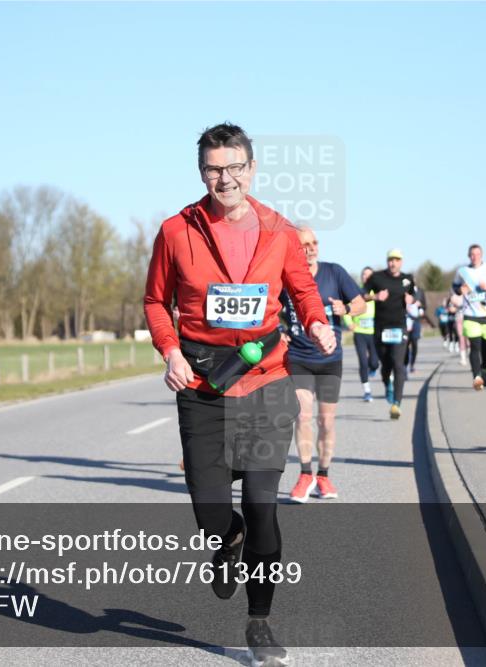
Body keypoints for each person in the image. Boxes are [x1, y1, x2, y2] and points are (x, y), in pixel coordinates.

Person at [144, 122, 336, 666]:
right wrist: (170, 351)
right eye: (213, 169)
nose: (224, 178)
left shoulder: (279, 231)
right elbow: (156, 302)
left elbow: (302, 289)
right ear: (201, 172)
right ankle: (226, 540)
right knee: (212, 514)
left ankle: (260, 622)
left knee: (261, 506)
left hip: (266, 383)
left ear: (252, 168)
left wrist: (317, 321)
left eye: (234, 167)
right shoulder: (176, 231)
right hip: (202, 385)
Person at [280, 227, 365, 503]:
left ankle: (324, 476)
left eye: (314, 242)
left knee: (326, 421)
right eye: (305, 244)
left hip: (330, 359)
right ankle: (306, 474)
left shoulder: (334, 272)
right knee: (303, 416)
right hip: (299, 358)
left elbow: (361, 303)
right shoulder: (285, 275)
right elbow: (270, 307)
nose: (311, 248)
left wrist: (346, 309)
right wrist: (279, 330)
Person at [363, 249, 417, 420]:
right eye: (391, 260)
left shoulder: (407, 279)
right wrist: (375, 297)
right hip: (381, 328)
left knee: (398, 364)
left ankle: (397, 404)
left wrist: (412, 299)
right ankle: (387, 384)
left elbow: (415, 295)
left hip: (399, 327)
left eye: (397, 260)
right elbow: (361, 295)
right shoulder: (376, 278)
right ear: (387, 261)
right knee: (385, 365)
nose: (393, 263)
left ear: (401, 262)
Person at [452, 244, 486, 390]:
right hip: (470, 314)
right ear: (469, 256)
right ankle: (477, 377)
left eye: (477, 254)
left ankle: (484, 368)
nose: (475, 257)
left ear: (482, 255)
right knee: (475, 346)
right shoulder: (462, 271)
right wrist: (460, 290)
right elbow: (455, 287)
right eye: (472, 254)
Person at [344, 267, 380, 401]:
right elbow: (346, 307)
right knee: (363, 362)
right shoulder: (355, 291)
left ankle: (373, 368)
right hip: (359, 332)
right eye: (364, 274)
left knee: (374, 363)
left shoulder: (377, 293)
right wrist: (349, 323)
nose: (366, 277)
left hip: (374, 333)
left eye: (369, 275)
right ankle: (367, 391)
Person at [405, 283, 426, 375]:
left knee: (414, 345)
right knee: (405, 345)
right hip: (405, 323)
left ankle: (412, 365)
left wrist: (421, 308)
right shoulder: (403, 295)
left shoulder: (419, 292)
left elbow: (423, 305)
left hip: (416, 323)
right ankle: (405, 365)